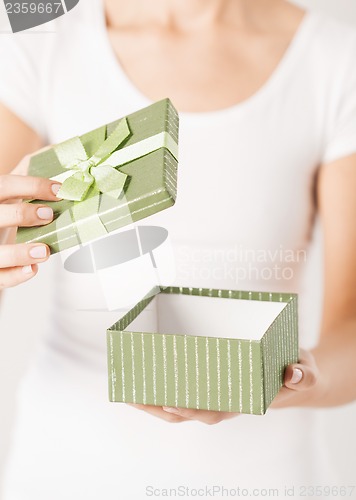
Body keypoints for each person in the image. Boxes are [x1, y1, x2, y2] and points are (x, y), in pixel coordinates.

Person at [0, 0, 355, 498]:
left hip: (263, 476)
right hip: (65, 464)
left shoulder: (336, 59)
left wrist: (296, 379)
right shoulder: (41, 37)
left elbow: (352, 334)